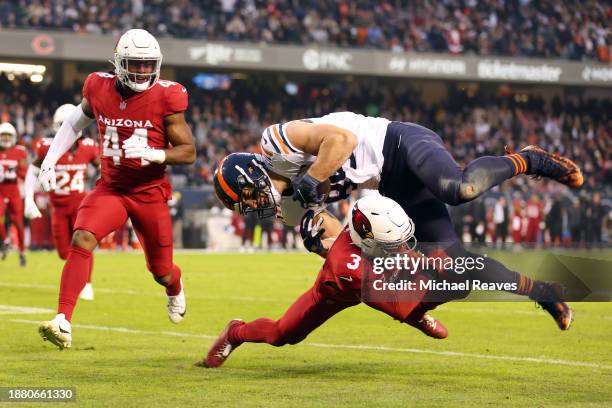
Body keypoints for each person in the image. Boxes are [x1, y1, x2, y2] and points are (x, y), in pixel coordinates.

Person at [214, 112, 579, 329]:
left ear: (250, 174)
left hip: (399, 143)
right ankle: (541, 291)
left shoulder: (278, 142)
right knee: (453, 264)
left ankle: (528, 160)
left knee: (459, 188)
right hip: (391, 186)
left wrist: (312, 180)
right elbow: (336, 239)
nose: (251, 207)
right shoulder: (290, 208)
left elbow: (343, 140)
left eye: (245, 198)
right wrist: (322, 244)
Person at [199, 195, 573, 369]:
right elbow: (388, 293)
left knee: (458, 274)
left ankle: (536, 291)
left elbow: (328, 222)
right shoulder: (349, 267)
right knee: (284, 334)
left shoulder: (372, 226)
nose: (403, 245)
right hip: (342, 292)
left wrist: (427, 263)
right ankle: (235, 333)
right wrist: (422, 289)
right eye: (394, 242)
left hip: (374, 272)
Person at [38, 29, 196, 350]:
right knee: (81, 237)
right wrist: (51, 159)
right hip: (111, 188)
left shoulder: (168, 96)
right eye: (135, 64)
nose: (142, 71)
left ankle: (175, 286)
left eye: (147, 64)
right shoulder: (98, 86)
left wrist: (157, 153)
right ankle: (63, 320)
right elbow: (73, 123)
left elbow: (189, 151)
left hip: (149, 192)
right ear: (119, 63)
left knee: (161, 271)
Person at [24, 104, 100, 300]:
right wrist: (29, 200)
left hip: (80, 204)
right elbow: (32, 172)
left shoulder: (89, 147)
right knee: (63, 252)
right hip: (57, 207)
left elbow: (103, 169)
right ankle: (79, 278)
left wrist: (99, 191)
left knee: (84, 243)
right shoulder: (46, 147)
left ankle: (87, 283)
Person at [0, 122, 27, 266]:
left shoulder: (19, 152)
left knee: (18, 222)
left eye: (7, 135)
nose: (5, 138)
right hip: (0, 190)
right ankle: (5, 241)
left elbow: (24, 173)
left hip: (14, 191)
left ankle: (22, 252)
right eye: (2, 135)